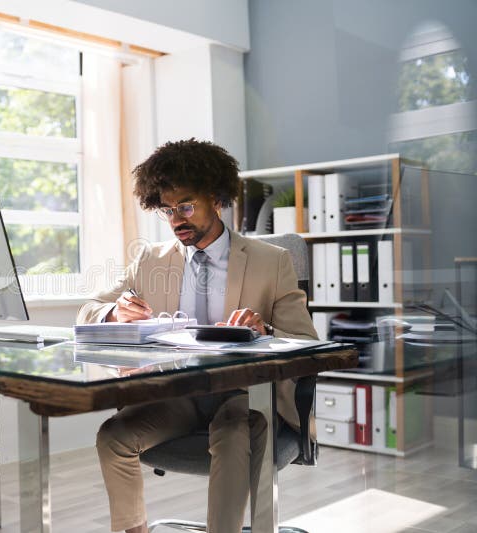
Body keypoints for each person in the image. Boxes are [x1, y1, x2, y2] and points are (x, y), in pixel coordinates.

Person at [76, 138, 318, 533]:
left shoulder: (272, 261)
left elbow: (307, 343)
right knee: (113, 436)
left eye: (186, 206)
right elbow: (88, 309)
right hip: (178, 397)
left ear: (215, 198)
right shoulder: (151, 260)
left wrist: (265, 331)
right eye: (168, 210)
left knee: (234, 433)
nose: (176, 220)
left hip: (246, 397)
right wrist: (114, 311)